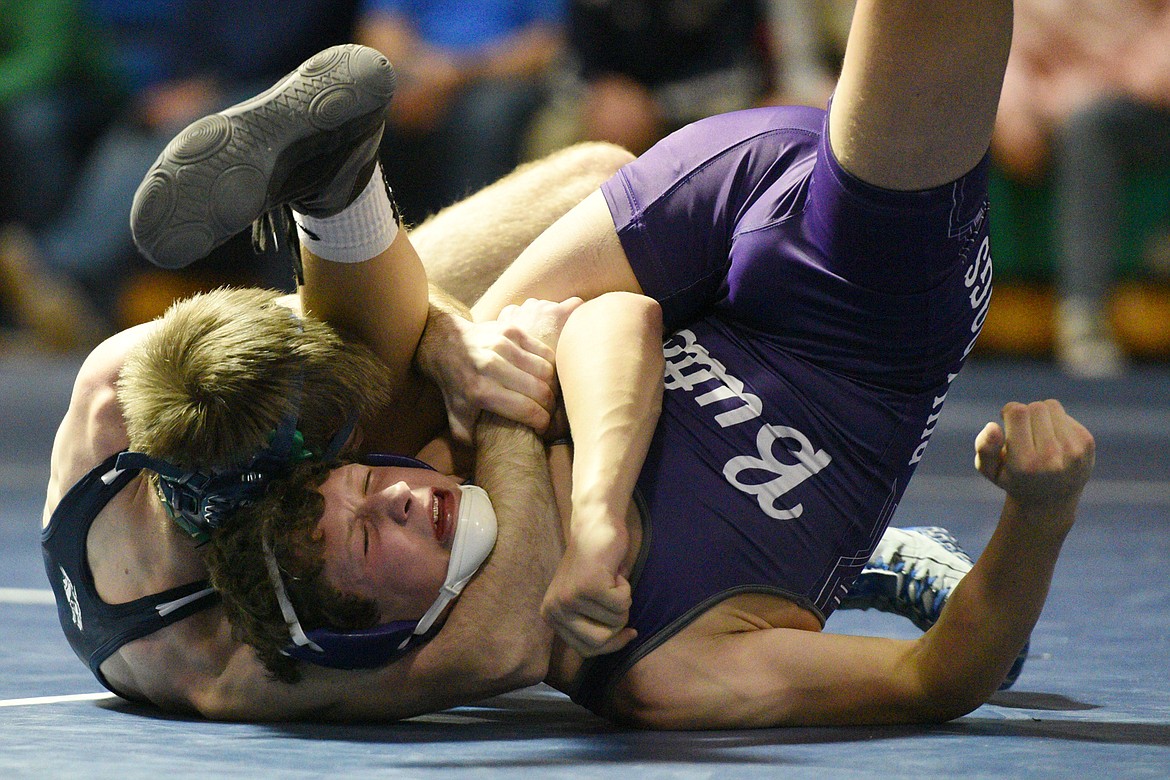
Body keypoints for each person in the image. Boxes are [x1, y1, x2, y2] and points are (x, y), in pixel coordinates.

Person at [122, 0, 1089, 727]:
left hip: (685, 218)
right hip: (854, 323)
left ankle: (339, 196)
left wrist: (593, 519)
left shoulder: (450, 453)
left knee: (469, 347)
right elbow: (934, 679)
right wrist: (1038, 517)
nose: (403, 497)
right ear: (394, 631)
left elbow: (609, 319)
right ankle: (343, 209)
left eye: (372, 486)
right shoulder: (660, 668)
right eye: (376, 539)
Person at [992, 0, 1170, 377]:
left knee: (1091, 126)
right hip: (1055, 101)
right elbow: (1008, 40)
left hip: (1143, 106)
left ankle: (1084, 315)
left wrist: (1090, 89)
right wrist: (1010, 105)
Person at [354, 0, 566, 223]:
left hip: (497, 77)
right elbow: (380, 24)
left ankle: (475, 238)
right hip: (415, 74)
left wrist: (454, 74)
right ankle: (366, 246)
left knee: (485, 119)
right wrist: (413, 74)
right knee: (358, 112)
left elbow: (545, 44)